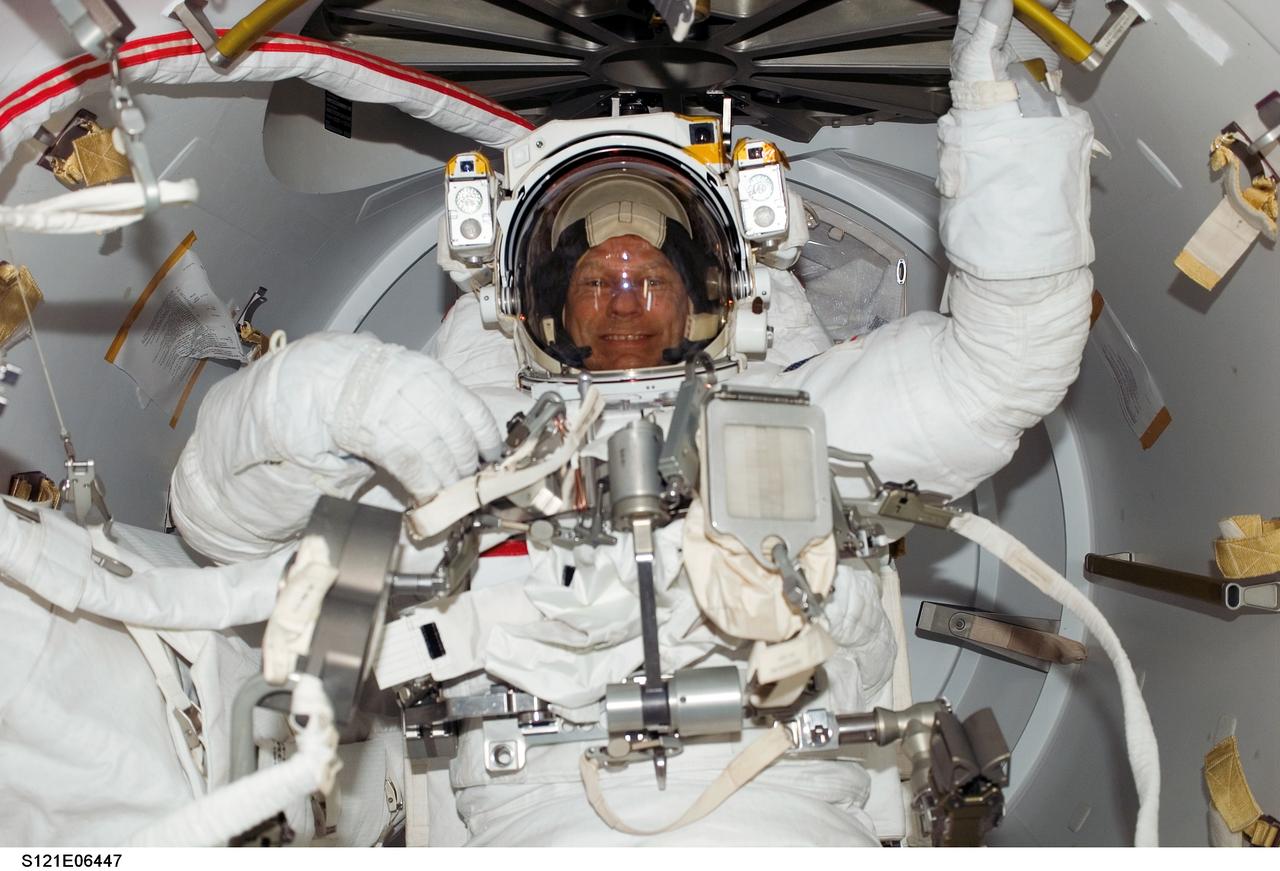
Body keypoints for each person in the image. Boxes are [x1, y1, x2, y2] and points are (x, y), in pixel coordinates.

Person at [4, 0, 1096, 846]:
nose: (623, 288)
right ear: (538, 302)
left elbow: (1004, 363)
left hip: (782, 806)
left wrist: (1006, 120)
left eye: (651, 267)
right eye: (594, 273)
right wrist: (336, 398)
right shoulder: (454, 441)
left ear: (715, 291)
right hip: (528, 816)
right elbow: (214, 525)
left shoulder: (803, 415)